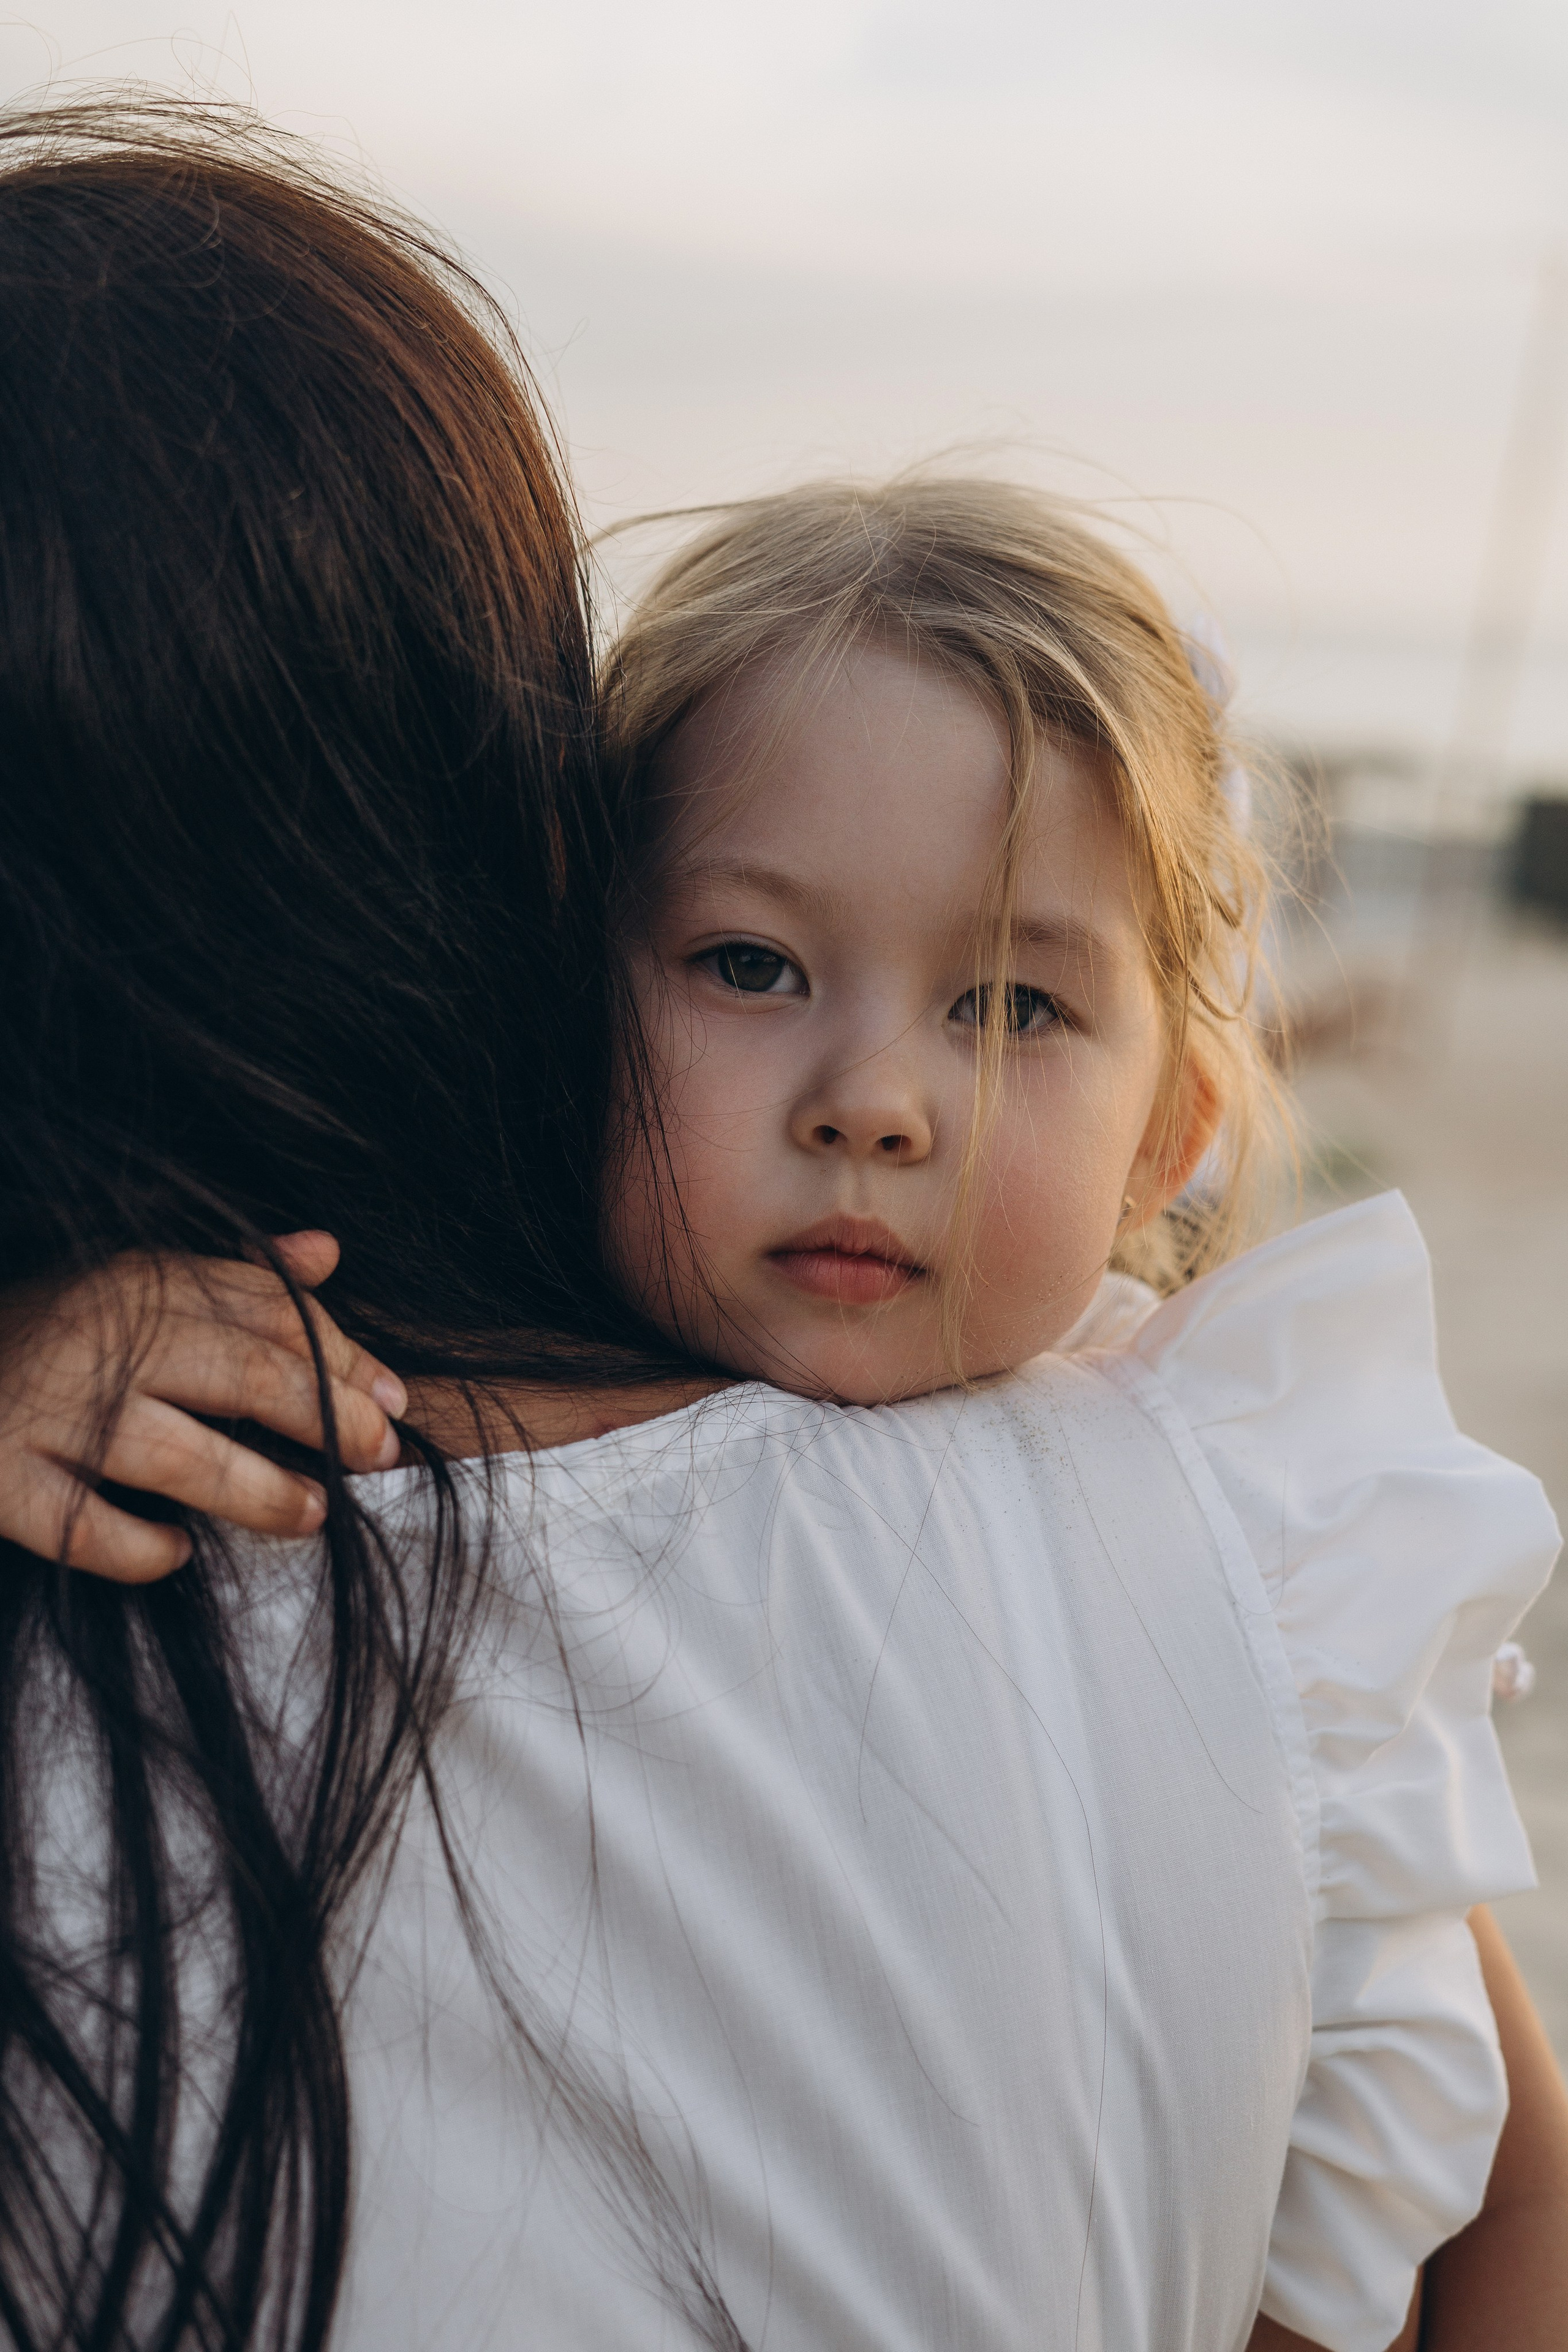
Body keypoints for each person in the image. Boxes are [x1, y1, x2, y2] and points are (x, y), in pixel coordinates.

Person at [0, 99, 1563, 2352]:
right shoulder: (1209, 1561)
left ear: (1177, 1132)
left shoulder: (1269, 1528)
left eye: (1015, 1007)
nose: (874, 1107)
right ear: (556, 934)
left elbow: (1479, 2200)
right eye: (749, 969)